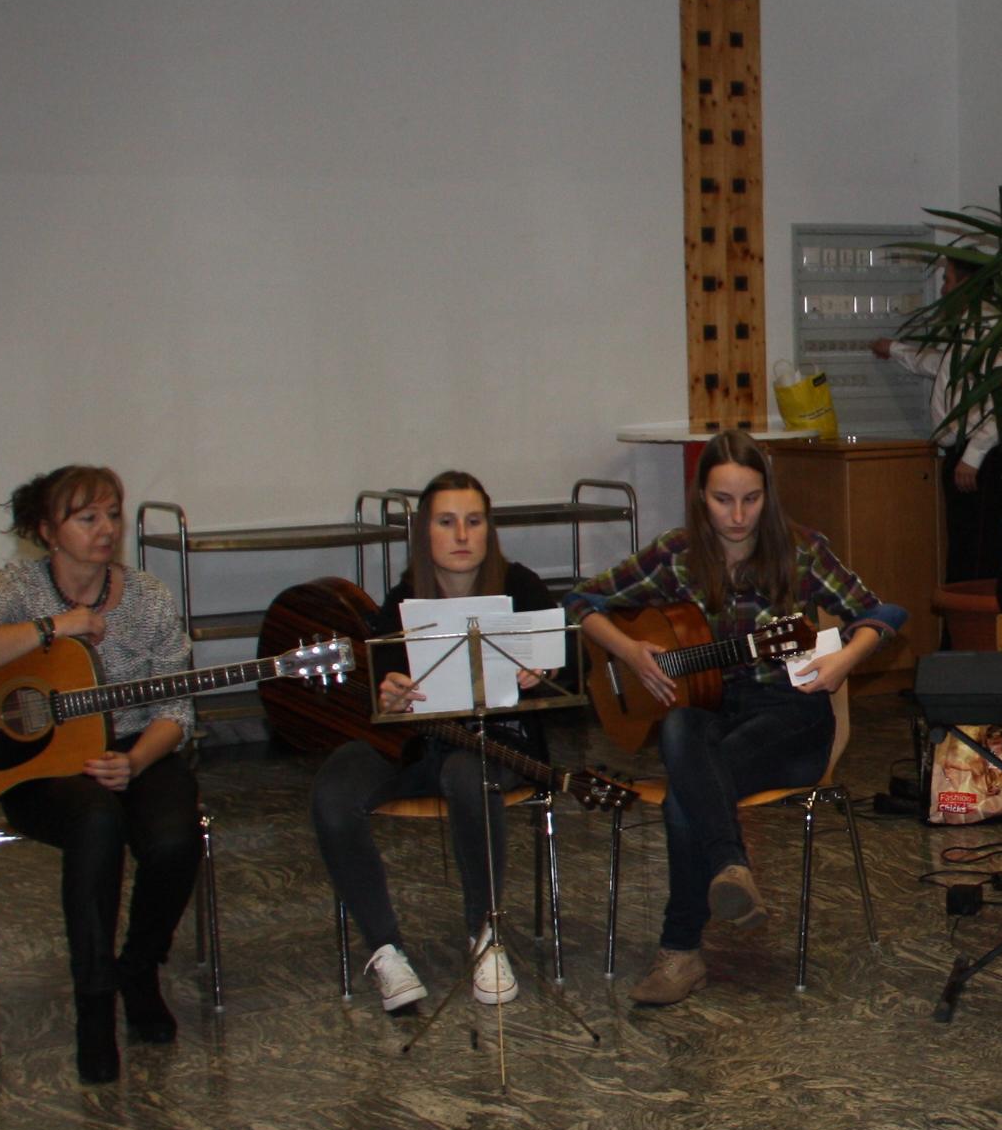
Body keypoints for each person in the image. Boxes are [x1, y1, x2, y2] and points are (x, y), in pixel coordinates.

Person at [569, 429, 906, 1008]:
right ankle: (729, 868)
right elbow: (582, 601)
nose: (738, 515)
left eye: (751, 499)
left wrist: (845, 661)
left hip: (793, 719)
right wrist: (629, 652)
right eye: (723, 500)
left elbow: (883, 612)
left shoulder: (800, 551)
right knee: (680, 729)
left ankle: (680, 951)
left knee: (687, 790)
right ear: (701, 496)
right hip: (712, 716)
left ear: (767, 496)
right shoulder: (676, 556)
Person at [0, 465, 199, 1085]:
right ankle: (94, 1005)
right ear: (48, 532)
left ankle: (139, 969)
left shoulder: (149, 598)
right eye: (87, 518)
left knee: (174, 837)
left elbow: (176, 710)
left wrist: (136, 761)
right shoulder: (19, 588)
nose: (106, 529)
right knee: (95, 821)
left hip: (135, 747)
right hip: (39, 765)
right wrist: (58, 626)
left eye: (112, 514)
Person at [309, 472, 570, 1018]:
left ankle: (485, 936)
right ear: (424, 533)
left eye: (474, 521)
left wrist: (544, 673)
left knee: (466, 773)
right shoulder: (404, 598)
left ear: (489, 530)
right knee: (336, 786)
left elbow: (569, 677)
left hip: (501, 749)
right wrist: (390, 694)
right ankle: (386, 952)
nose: (462, 535)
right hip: (417, 748)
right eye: (447, 522)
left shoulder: (521, 587)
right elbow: (380, 698)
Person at [873, 259, 1002, 588]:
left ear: (967, 284)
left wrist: (973, 456)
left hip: (983, 455)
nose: (943, 289)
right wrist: (894, 350)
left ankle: (978, 619)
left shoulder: (992, 328)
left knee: (979, 552)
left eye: (948, 280)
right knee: (964, 549)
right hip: (963, 452)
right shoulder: (969, 328)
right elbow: (944, 366)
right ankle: (961, 617)